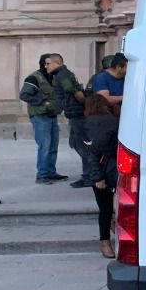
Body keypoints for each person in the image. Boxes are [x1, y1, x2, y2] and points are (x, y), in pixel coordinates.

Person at [19, 53, 68, 183]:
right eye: (45, 63)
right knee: (44, 146)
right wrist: (42, 101)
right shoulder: (34, 78)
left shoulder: (54, 77)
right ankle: (42, 175)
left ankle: (51, 172)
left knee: (53, 146)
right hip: (40, 116)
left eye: (49, 63)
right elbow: (24, 94)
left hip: (52, 115)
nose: (47, 66)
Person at [82, 87, 119, 259]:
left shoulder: (86, 124)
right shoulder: (114, 120)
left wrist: (97, 176)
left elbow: (89, 153)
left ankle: (105, 241)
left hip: (101, 170)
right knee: (113, 206)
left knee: (104, 208)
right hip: (116, 169)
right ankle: (111, 229)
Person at [52, 61, 91, 188]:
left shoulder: (63, 75)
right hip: (74, 114)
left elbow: (76, 92)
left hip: (77, 114)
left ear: (57, 63)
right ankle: (88, 174)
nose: (46, 66)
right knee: (75, 144)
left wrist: (85, 104)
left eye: (48, 63)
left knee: (82, 146)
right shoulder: (63, 74)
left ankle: (89, 175)